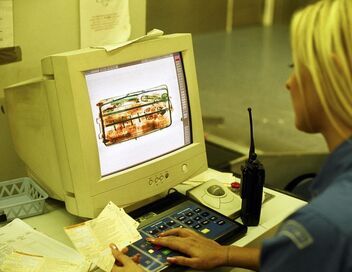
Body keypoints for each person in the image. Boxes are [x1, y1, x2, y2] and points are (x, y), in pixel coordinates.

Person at [109, 0, 352, 270]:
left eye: (297, 67)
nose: (290, 83)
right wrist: (227, 255)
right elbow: (307, 260)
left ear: (335, 72)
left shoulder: (325, 226)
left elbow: (321, 245)